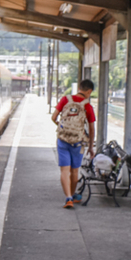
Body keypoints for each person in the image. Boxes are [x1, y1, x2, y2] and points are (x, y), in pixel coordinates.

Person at [51, 78, 96, 208]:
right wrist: (91, 147)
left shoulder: (65, 99)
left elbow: (53, 117)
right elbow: (91, 128)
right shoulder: (87, 106)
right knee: (75, 171)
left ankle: (68, 198)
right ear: (89, 91)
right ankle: (72, 194)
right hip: (78, 142)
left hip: (63, 140)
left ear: (79, 88)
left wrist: (62, 127)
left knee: (64, 170)